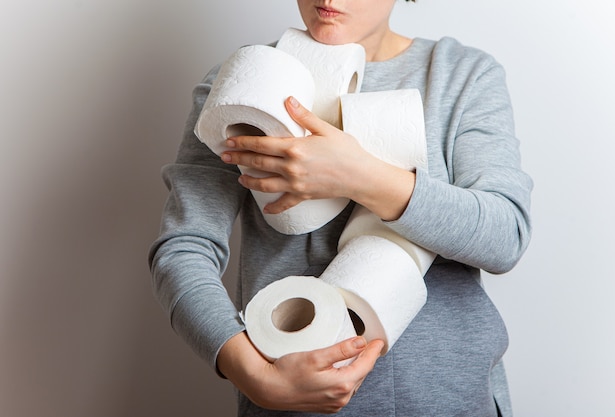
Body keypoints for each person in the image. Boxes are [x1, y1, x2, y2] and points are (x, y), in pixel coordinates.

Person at [148, 0, 533, 415]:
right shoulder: (245, 86)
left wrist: (356, 175)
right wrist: (253, 377)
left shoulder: (460, 75)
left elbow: (504, 237)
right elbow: (184, 249)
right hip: (294, 405)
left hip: (450, 399)